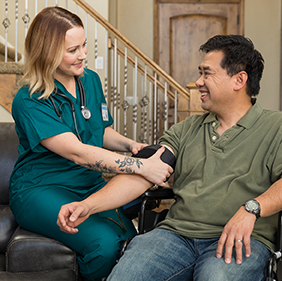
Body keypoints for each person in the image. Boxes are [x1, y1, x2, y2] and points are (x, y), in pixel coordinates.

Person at [57, 34, 282, 280]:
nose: (198, 82)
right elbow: (143, 174)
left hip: (240, 239)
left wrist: (251, 209)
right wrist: (89, 205)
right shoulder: (186, 128)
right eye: (200, 73)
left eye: (207, 74)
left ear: (239, 80)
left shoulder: (279, 126)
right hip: (175, 236)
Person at [9, 6, 173, 281]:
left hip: (88, 182)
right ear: (47, 52)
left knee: (131, 241)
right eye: (73, 50)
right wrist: (141, 166)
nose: (83, 55)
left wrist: (131, 144)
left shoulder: (90, 80)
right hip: (41, 188)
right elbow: (78, 151)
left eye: (84, 45)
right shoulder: (29, 99)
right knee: (104, 245)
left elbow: (99, 129)